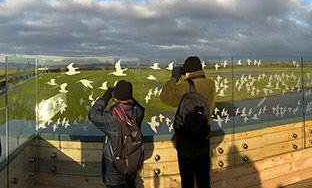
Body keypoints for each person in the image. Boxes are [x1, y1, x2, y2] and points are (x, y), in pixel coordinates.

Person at [159, 56, 217, 188]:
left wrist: (174, 77)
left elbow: (165, 97)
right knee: (204, 181)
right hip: (203, 141)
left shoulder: (184, 86)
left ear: (187, 72)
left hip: (186, 145)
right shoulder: (211, 84)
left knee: (187, 182)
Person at [89, 80, 145, 188]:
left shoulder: (110, 117)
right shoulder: (138, 112)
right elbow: (139, 106)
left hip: (113, 166)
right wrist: (128, 96)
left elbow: (93, 114)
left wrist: (105, 97)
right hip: (131, 163)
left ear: (116, 97)